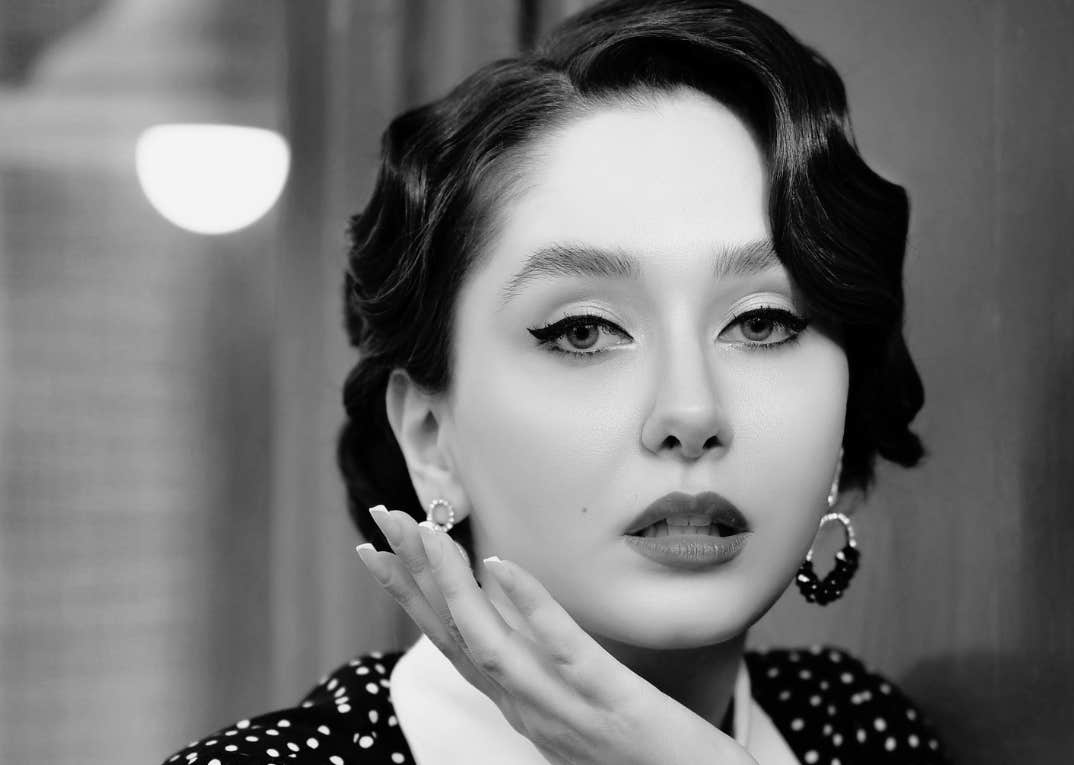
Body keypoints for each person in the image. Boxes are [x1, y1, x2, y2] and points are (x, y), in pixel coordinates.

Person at [163, 0, 946, 762]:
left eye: (763, 322)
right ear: (432, 438)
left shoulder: (859, 732)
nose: (691, 411)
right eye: (584, 331)